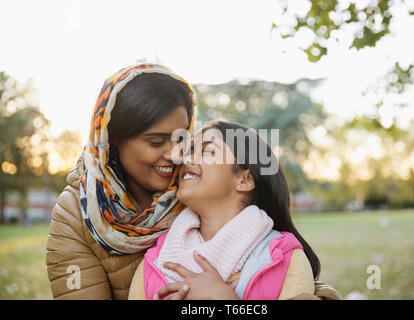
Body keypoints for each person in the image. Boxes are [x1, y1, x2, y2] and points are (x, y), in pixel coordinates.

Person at [46, 63, 341, 300]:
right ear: (115, 141)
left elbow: (274, 263)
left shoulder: (192, 191)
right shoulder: (77, 213)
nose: (177, 155)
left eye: (182, 140)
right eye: (156, 141)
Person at [128, 120, 340, 300]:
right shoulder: (155, 261)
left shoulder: (284, 259)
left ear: (245, 179)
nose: (187, 159)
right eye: (190, 151)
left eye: (208, 150)